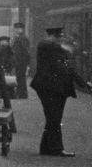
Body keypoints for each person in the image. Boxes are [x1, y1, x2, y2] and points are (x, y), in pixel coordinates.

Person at [30, 25, 92, 156]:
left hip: (53, 88)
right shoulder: (48, 46)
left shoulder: (52, 48)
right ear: (53, 36)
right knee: (55, 118)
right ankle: (56, 149)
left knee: (53, 118)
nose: (62, 39)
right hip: (51, 88)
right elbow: (66, 59)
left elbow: (69, 68)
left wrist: (84, 83)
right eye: (60, 37)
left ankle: (46, 148)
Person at [11, 22, 30, 99]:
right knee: (19, 78)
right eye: (16, 28)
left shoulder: (23, 38)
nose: (17, 30)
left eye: (19, 28)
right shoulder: (16, 38)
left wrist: (26, 62)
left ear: (22, 29)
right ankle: (21, 93)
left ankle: (22, 94)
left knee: (21, 78)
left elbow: (25, 51)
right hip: (17, 61)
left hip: (21, 61)